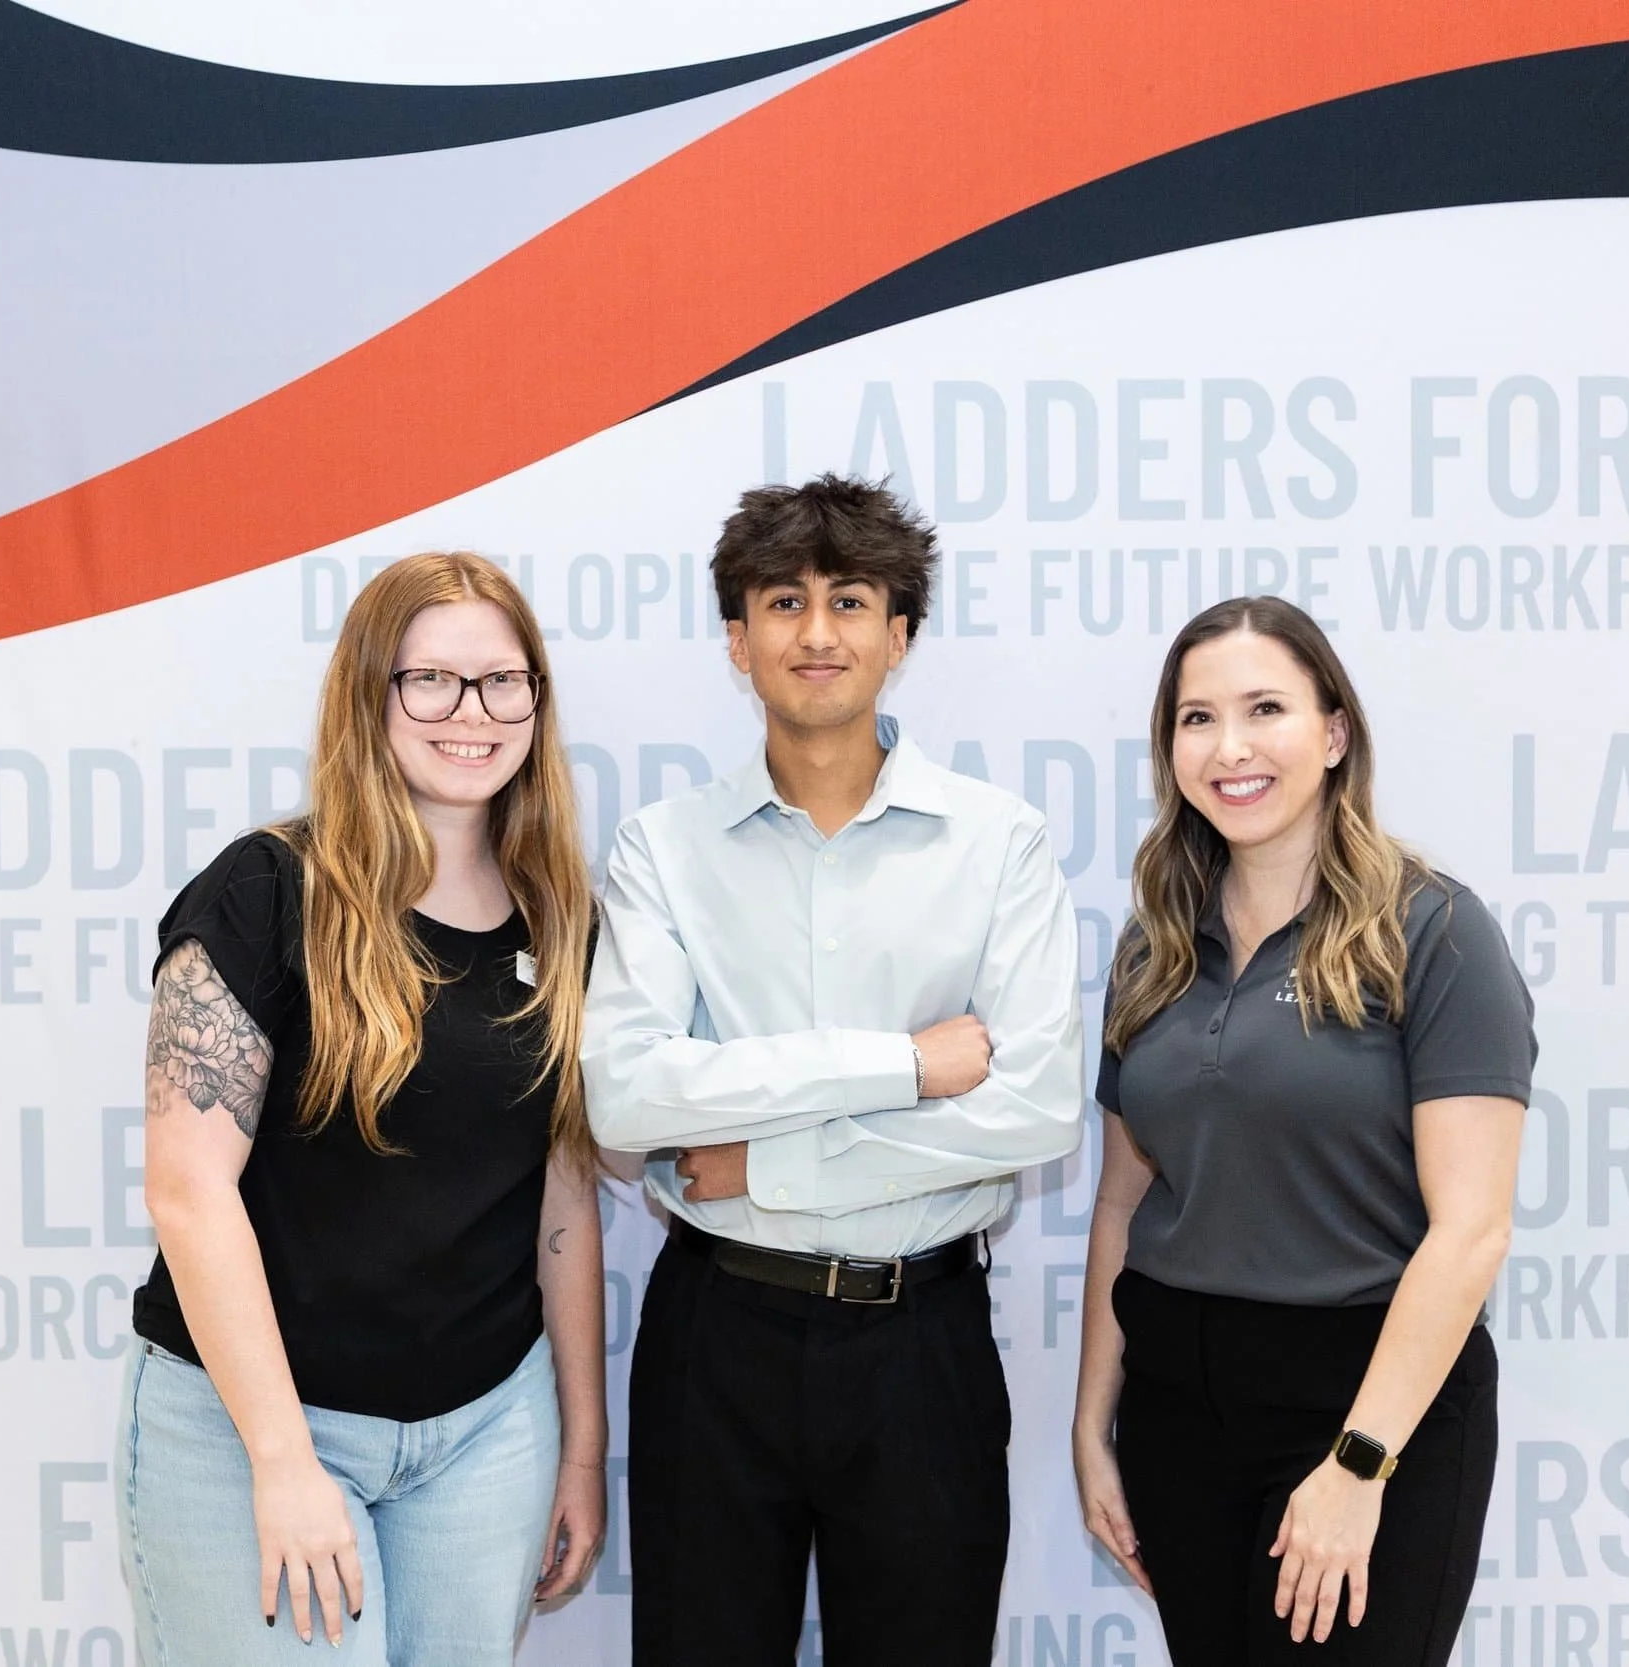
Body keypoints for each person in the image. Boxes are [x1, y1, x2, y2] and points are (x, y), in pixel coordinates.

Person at [583, 474, 1087, 1667]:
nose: (817, 632)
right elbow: (628, 1095)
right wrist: (902, 1065)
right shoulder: (662, 846)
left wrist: (766, 1153)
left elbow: (1034, 1109)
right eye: (783, 601)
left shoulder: (997, 841)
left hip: (921, 1337)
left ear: (899, 635)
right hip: (717, 1331)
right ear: (735, 639)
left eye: (851, 600)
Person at [116, 552, 607, 1667]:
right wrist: (283, 1460)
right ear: (367, 693)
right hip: (249, 1428)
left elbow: (563, 1193)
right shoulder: (262, 891)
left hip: (486, 1431)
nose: (469, 712)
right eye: (428, 679)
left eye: (501, 679)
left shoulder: (565, 916)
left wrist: (582, 1444)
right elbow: (188, 1194)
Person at [1071, 596, 1535, 1663]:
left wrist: (1357, 1463)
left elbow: (1469, 1231)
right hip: (1178, 1408)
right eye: (1196, 718)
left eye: (1264, 707)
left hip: (1367, 1397)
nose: (1228, 746)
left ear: (1333, 733)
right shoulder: (1155, 945)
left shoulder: (1435, 931)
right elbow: (1121, 1201)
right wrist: (1092, 1424)